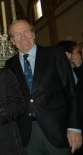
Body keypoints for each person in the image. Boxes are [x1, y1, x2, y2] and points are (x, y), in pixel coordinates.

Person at [5, 19, 82, 154]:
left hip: (58, 131)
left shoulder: (55, 53)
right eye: (17, 34)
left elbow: (71, 92)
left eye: (26, 32)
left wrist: (74, 127)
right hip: (27, 135)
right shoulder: (10, 64)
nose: (23, 37)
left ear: (33, 34)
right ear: (12, 41)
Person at [58, 40, 83, 155]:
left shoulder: (78, 70)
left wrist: (79, 66)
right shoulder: (60, 73)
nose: (80, 56)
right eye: (77, 53)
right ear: (68, 54)